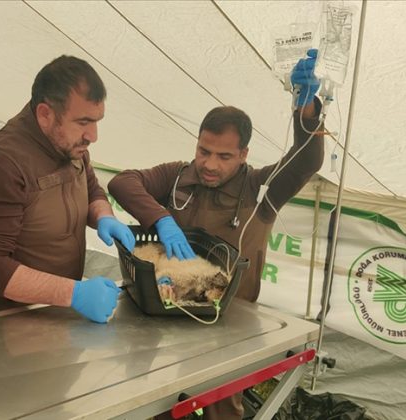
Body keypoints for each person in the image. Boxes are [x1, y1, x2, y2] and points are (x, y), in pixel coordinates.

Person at [108, 49, 324, 419]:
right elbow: (122, 182)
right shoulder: (178, 175)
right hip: (164, 313)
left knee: (222, 408)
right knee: (158, 401)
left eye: (223, 156)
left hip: (227, 325)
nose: (209, 164)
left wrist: (306, 113)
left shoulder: (262, 189)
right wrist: (161, 218)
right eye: (203, 151)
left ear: (243, 154)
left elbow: (307, 160)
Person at [0, 55, 135, 324]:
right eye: (83, 122)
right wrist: (74, 293)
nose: (93, 136)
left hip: (57, 311)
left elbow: (92, 190)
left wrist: (104, 216)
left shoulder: (70, 143)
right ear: (45, 114)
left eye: (97, 121)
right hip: (5, 321)